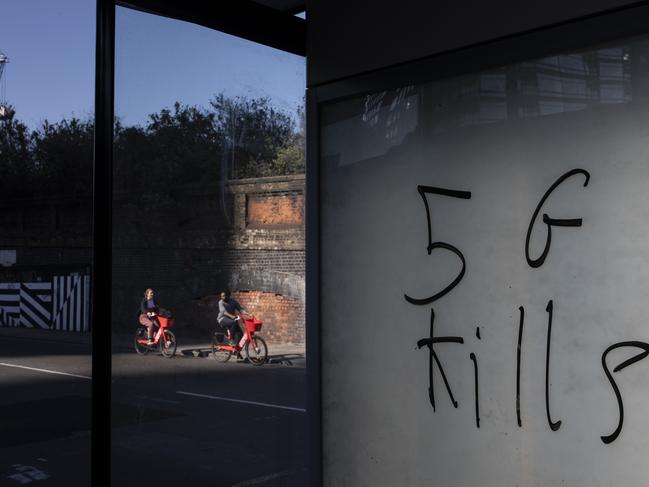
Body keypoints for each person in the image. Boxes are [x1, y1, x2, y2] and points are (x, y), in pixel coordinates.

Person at [217, 290, 250, 355]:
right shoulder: (220, 302)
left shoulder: (233, 302)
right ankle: (231, 340)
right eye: (221, 296)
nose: (222, 297)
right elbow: (223, 312)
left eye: (223, 296)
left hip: (231, 320)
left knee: (240, 334)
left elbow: (240, 309)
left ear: (228, 296)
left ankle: (235, 350)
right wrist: (232, 316)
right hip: (222, 319)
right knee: (234, 322)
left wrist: (248, 314)